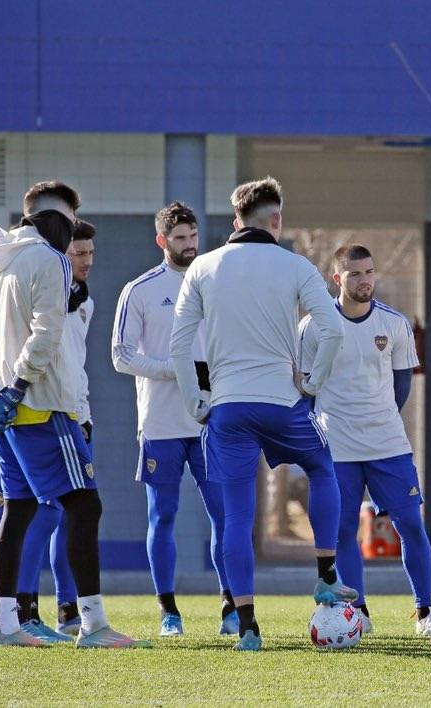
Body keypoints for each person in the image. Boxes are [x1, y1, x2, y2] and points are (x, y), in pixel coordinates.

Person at [0, 180, 144, 648]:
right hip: (43, 409)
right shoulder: (51, 260)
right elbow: (46, 334)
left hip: (7, 417)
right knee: (85, 504)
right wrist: (16, 389)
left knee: (18, 511)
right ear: (57, 219)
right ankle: (92, 624)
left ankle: (5, 625)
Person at [171, 176, 354, 652]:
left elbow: (179, 345)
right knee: (321, 466)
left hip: (227, 408)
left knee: (235, 517)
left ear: (236, 221)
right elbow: (332, 332)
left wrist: (196, 401)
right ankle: (326, 575)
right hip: (284, 403)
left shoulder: (203, 266)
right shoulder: (296, 266)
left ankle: (247, 625)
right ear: (276, 220)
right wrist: (312, 382)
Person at [299, 243, 431, 637]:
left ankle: (425, 612)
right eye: (355, 274)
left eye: (369, 272)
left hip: (389, 446)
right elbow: (305, 392)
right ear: (337, 279)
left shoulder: (395, 324)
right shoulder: (314, 326)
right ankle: (358, 613)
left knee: (411, 526)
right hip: (338, 449)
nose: (365, 280)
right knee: (344, 530)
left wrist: (377, 417)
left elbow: (402, 385)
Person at [112, 202, 234, 637]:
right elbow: (121, 356)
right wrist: (176, 370)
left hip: (209, 423)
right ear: (162, 241)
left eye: (193, 236)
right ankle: (169, 612)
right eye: (180, 238)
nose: (190, 245)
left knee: (225, 516)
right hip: (161, 424)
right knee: (163, 515)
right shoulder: (139, 290)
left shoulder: (217, 283)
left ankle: (232, 606)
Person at [14, 220, 97, 643]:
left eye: (89, 253)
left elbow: (74, 364)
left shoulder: (85, 301)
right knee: (46, 511)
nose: (86, 260)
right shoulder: (44, 293)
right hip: (45, 413)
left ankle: (67, 610)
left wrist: (83, 413)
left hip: (75, 415)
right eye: (78, 253)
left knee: (68, 515)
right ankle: (21, 610)